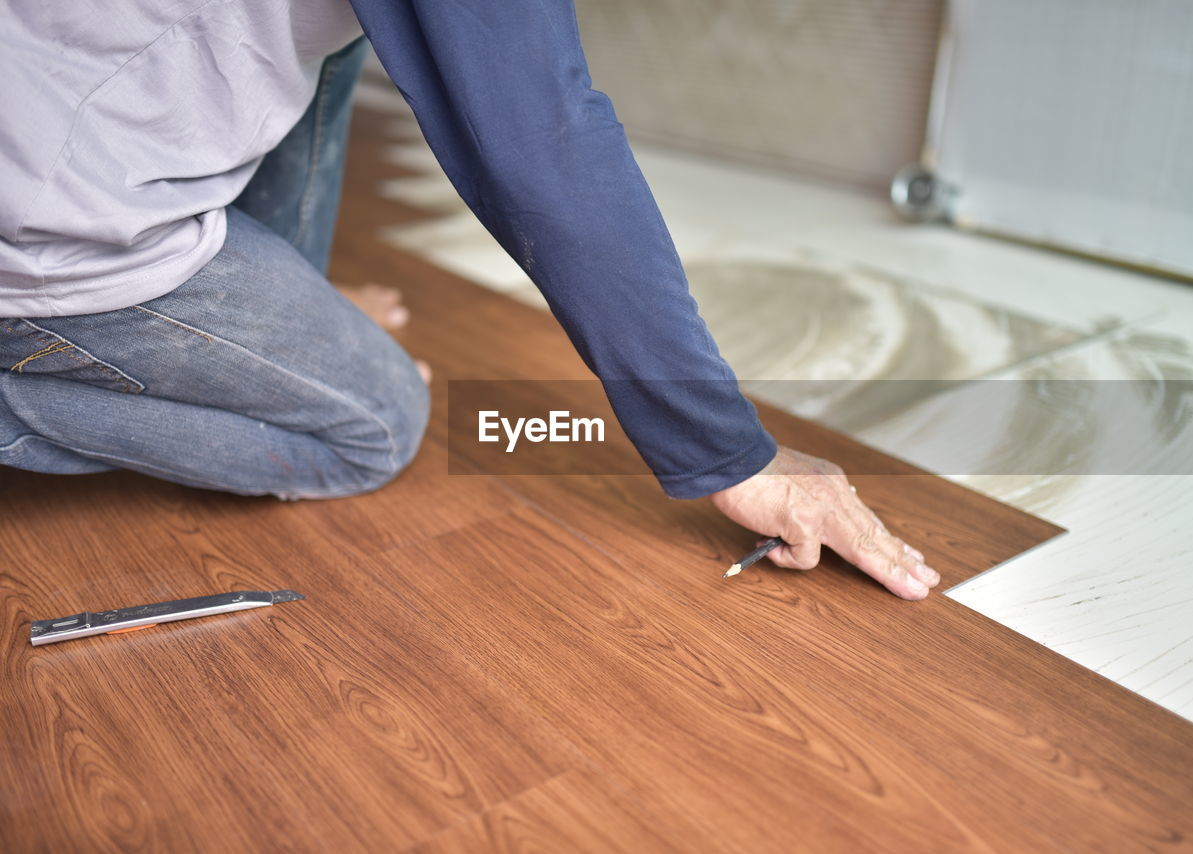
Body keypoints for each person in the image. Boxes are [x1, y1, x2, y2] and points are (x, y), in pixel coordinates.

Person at [0, 0, 938, 600]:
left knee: (336, 47)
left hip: (41, 108)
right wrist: (732, 453)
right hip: (50, 216)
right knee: (377, 425)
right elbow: (544, 153)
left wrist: (300, 297)